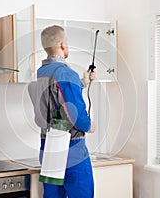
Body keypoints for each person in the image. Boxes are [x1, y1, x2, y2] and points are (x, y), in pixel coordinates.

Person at [28, 25, 95, 198]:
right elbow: (77, 117)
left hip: (48, 148)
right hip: (72, 151)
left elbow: (56, 96)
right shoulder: (66, 74)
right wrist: (89, 125)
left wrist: (83, 82)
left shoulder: (41, 73)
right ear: (63, 45)